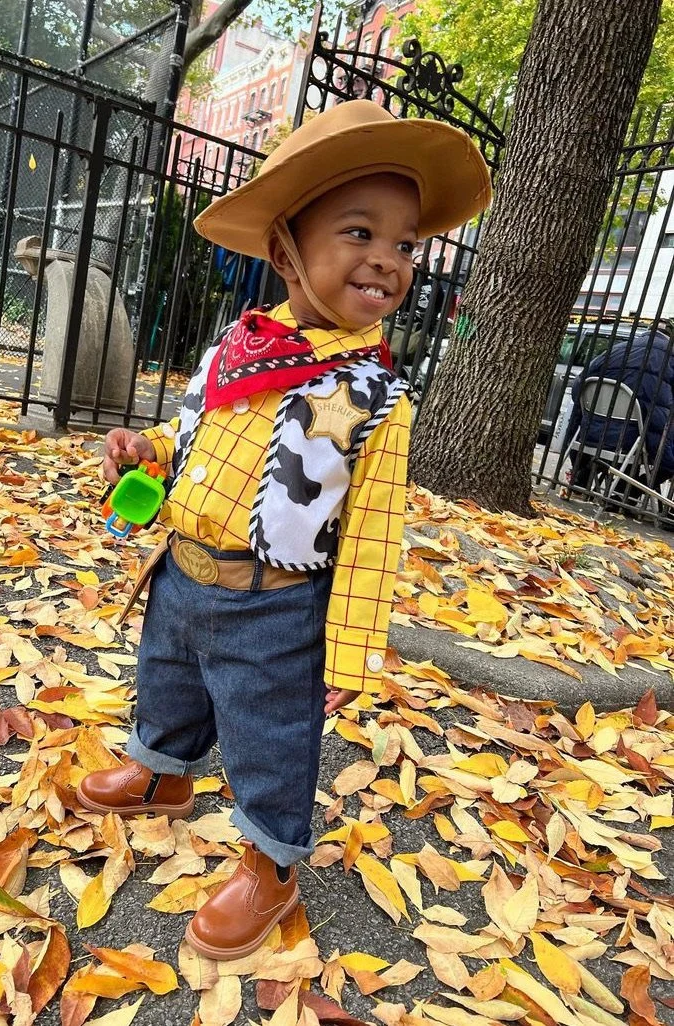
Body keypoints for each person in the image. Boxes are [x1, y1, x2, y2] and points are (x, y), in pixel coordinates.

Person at [76, 100, 491, 960]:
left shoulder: (373, 397)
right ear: (285, 250)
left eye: (404, 245)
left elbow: (373, 539)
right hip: (180, 573)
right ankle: (162, 770)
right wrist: (145, 447)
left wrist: (347, 654)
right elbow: (195, 430)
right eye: (359, 232)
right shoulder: (238, 346)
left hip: (273, 609)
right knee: (169, 683)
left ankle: (271, 860)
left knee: (271, 734)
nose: (386, 258)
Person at [565, 323, 674, 498]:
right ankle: (631, 492)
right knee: (662, 451)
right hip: (638, 439)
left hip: (594, 431)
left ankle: (584, 474)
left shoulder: (618, 349)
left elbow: (579, 385)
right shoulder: (671, 359)